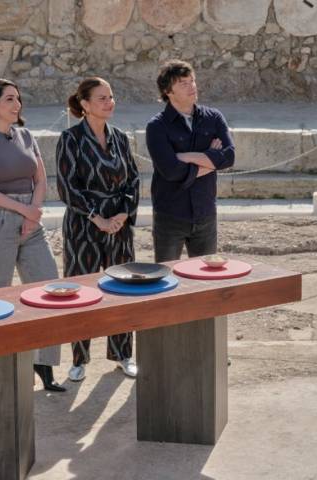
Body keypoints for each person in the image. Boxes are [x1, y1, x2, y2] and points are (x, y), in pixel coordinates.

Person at [0, 79, 65, 392]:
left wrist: (33, 212)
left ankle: (44, 363)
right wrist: (24, 212)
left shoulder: (26, 135)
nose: (16, 104)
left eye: (18, 99)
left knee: (50, 289)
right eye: (9, 99)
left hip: (31, 224)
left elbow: (40, 178)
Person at [56, 77, 141, 382]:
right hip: (83, 225)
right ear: (85, 105)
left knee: (123, 289)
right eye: (102, 98)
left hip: (118, 225)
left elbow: (133, 179)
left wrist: (121, 213)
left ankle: (123, 354)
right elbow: (67, 187)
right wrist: (97, 217)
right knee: (81, 291)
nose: (109, 102)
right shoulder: (70, 139)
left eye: (111, 97)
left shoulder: (119, 137)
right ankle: (79, 358)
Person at [145, 60, 235, 264]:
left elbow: (229, 157)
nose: (192, 86)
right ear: (168, 91)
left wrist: (187, 157)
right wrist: (210, 157)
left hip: (205, 214)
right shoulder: (157, 127)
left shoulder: (214, 118)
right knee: (166, 279)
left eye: (192, 81)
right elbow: (171, 171)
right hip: (170, 216)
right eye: (183, 83)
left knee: (206, 279)